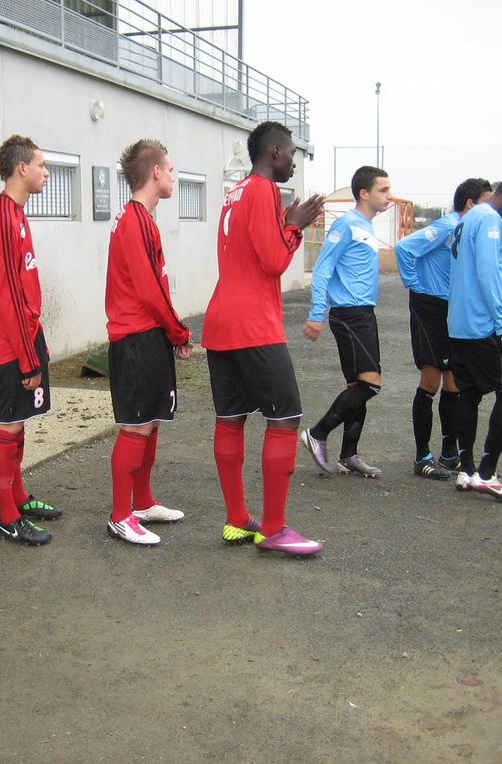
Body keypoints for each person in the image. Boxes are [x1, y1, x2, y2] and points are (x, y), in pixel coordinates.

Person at [202, 120, 325, 556]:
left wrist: (284, 222)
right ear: (274, 151)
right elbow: (273, 261)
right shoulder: (264, 190)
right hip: (253, 323)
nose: (294, 160)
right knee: (285, 419)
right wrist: (294, 226)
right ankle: (273, 529)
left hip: (220, 322)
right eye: (291, 152)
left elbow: (250, 251)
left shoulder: (233, 193)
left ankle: (238, 520)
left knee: (231, 418)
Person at [0, 135, 64, 546]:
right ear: (21, 168)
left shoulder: (16, 214)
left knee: (20, 422)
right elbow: (8, 295)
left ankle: (19, 497)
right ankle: (7, 516)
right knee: (7, 423)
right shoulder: (0, 218)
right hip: (12, 346)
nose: (46, 172)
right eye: (41, 164)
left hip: (26, 338)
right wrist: (27, 358)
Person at [104, 139, 192, 546]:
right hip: (135, 339)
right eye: (171, 169)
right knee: (137, 426)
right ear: (155, 172)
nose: (173, 176)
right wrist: (178, 331)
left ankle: (142, 502)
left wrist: (170, 332)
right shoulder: (134, 221)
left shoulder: (145, 220)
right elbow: (148, 291)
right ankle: (120, 516)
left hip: (150, 336)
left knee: (152, 421)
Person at [395, 178, 493, 480]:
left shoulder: (469, 229)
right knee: (431, 379)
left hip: (451, 308)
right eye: (487, 203)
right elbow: (404, 248)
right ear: (470, 204)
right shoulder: (449, 225)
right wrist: (416, 285)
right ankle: (421, 457)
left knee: (455, 383)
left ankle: (449, 454)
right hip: (429, 307)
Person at [301, 166, 393, 478]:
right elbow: (323, 270)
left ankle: (349, 455)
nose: (388, 196)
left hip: (364, 313)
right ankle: (318, 433)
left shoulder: (365, 226)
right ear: (364, 193)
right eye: (383, 190)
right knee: (370, 384)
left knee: (358, 386)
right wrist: (316, 314)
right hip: (349, 314)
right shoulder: (346, 225)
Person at [447, 177, 502, 502]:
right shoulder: (489, 219)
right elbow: (488, 274)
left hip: (458, 323)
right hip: (483, 324)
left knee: (467, 394)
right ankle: (487, 473)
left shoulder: (468, 217)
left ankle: (466, 471)